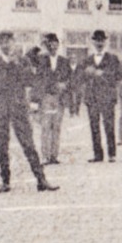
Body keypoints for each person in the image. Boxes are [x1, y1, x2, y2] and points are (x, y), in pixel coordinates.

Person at [0, 32, 59, 193]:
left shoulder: (22, 61)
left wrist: (16, 64)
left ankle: (41, 180)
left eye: (8, 41)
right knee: (2, 146)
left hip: (19, 109)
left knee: (29, 144)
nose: (5, 45)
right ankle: (5, 182)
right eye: (2, 42)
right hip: (1, 110)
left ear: (13, 42)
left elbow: (30, 81)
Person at [79, 30, 122, 162]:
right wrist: (87, 72)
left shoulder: (113, 59)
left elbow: (119, 76)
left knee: (109, 125)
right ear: (92, 42)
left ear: (105, 42)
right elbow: (79, 77)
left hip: (107, 97)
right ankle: (98, 154)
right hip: (92, 97)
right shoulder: (87, 60)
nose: (99, 43)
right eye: (97, 40)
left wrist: (102, 73)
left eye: (101, 40)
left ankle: (112, 154)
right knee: (94, 126)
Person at [33, 34, 72, 165]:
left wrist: (65, 85)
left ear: (58, 45)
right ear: (47, 45)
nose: (53, 46)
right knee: (45, 127)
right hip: (46, 97)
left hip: (59, 98)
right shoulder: (40, 59)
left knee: (56, 127)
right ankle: (45, 156)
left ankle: (54, 156)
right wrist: (35, 100)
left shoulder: (64, 61)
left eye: (55, 43)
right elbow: (37, 79)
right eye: (50, 44)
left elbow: (70, 79)